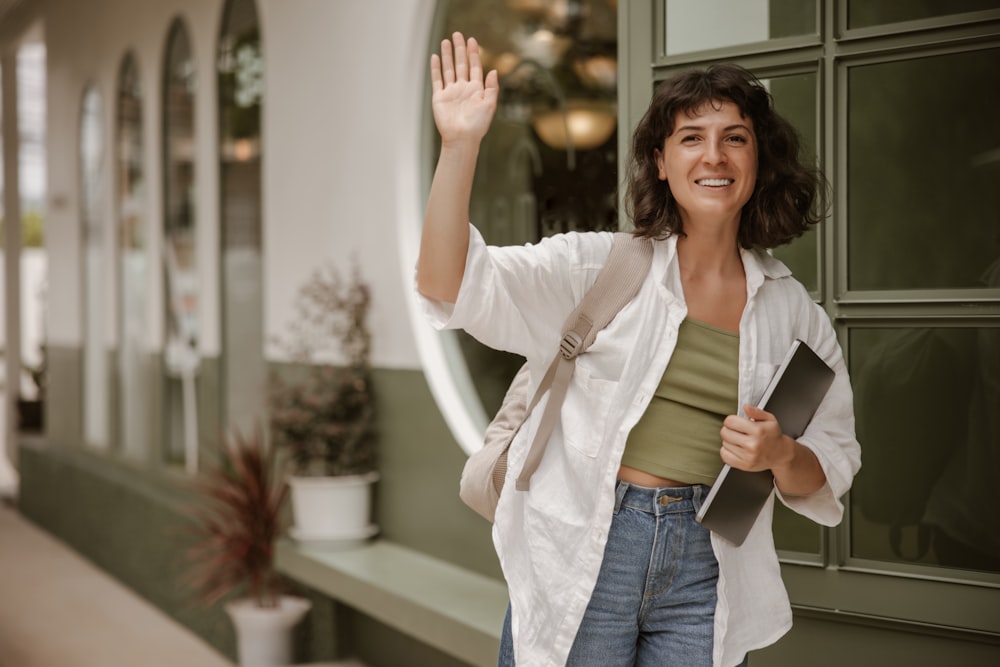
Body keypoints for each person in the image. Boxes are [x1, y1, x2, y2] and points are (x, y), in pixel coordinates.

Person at [416, 32, 861, 667]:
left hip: (707, 562)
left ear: (758, 160)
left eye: (735, 137)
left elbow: (834, 459)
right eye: (691, 137)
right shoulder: (597, 266)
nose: (715, 155)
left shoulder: (794, 315)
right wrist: (460, 146)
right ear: (660, 161)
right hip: (588, 544)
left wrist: (781, 452)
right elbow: (447, 283)